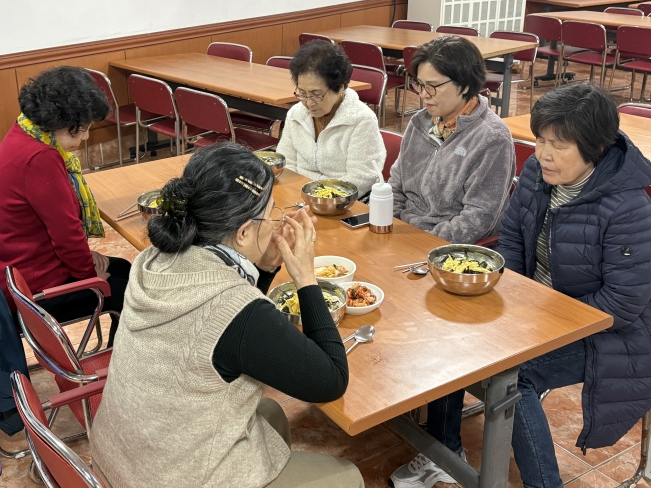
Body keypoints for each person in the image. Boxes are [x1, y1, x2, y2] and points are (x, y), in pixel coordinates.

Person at [390, 84, 651, 488]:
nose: (544, 154)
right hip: (538, 309)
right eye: (541, 140)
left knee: (515, 376)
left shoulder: (628, 208)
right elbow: (511, 236)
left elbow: (623, 303)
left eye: (559, 145)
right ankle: (445, 451)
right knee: (449, 326)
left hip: (607, 332)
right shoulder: (537, 174)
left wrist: (539, 314)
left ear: (595, 149)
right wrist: (514, 296)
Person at [90, 143, 363, 488]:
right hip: (168, 478)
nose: (276, 223)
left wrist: (265, 267)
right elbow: (331, 381)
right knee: (348, 476)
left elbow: (229, 326)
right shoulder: (236, 309)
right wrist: (307, 278)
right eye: (272, 214)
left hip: (120, 457)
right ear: (244, 232)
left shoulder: (153, 259)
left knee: (270, 414)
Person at [0, 66, 131, 345]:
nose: (86, 136)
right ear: (63, 121)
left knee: (123, 268)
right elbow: (67, 235)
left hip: (16, 271)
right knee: (130, 293)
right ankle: (122, 363)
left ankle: (117, 354)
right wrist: (90, 277)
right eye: (83, 128)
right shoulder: (41, 158)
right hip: (33, 290)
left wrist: (86, 259)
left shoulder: (24, 131)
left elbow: (61, 233)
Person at [388, 35, 515, 244]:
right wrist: (391, 225)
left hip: (446, 247)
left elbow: (478, 218)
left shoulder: (492, 138)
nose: (423, 94)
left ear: (464, 85)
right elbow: (395, 185)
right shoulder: (420, 122)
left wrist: (422, 242)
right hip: (402, 233)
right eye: (420, 84)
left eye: (432, 86)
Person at [276, 40, 385, 197]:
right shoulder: (296, 114)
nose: (308, 103)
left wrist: (320, 197)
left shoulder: (362, 120)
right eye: (302, 93)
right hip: (299, 194)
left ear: (339, 88)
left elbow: (362, 177)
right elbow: (287, 163)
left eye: (316, 95)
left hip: (342, 201)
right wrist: (294, 193)